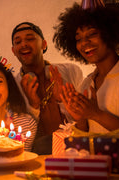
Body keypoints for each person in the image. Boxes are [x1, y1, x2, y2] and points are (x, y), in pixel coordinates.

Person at [53, 1, 119, 133]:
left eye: (92, 34)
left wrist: (96, 114)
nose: (85, 43)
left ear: (112, 33)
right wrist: (79, 118)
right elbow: (85, 136)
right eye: (78, 39)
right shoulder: (86, 84)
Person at [11, 22, 83, 154]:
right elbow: (19, 137)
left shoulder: (71, 72)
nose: (23, 44)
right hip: (36, 155)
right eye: (18, 42)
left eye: (30, 39)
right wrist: (33, 107)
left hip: (75, 149)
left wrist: (62, 100)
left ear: (44, 44)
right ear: (14, 51)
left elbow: (84, 123)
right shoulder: (13, 87)